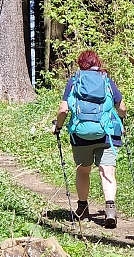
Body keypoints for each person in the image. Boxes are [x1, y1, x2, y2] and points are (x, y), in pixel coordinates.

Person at [52, 50, 126, 228]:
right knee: (107, 171)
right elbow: (121, 107)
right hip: (106, 134)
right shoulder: (106, 80)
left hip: (80, 135)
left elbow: (63, 110)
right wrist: (121, 119)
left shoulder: (74, 81)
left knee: (83, 171)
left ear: (80, 63)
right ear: (97, 63)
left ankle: (83, 209)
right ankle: (109, 209)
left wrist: (58, 126)